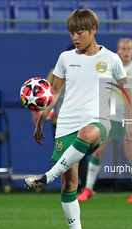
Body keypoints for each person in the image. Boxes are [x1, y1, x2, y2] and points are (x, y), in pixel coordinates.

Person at [24, 9, 132, 229]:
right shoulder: (65, 58)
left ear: (93, 30)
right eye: (71, 32)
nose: (75, 36)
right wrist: (42, 119)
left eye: (80, 32)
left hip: (98, 121)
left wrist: (128, 122)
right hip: (65, 123)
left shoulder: (112, 59)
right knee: (69, 184)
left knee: (87, 134)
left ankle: (46, 177)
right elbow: (54, 93)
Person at [77, 38, 132, 203]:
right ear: (118, 50)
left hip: (131, 120)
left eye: (129, 49)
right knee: (98, 151)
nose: (126, 51)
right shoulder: (109, 68)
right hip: (110, 119)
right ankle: (88, 189)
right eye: (123, 48)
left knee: (130, 154)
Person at [32, 44, 88, 190]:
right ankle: (70, 185)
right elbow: (45, 91)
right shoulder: (56, 71)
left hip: (80, 120)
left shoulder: (87, 72)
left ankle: (84, 186)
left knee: (79, 155)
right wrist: (37, 112)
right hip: (60, 121)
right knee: (63, 154)